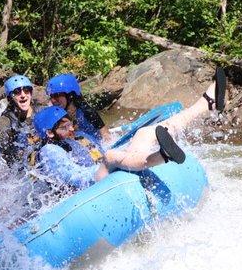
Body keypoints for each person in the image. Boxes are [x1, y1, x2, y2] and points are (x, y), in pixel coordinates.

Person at [34, 69, 227, 190]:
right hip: (93, 177)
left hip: (100, 165)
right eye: (65, 126)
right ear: (50, 132)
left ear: (70, 95)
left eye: (71, 124)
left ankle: (204, 105)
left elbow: (102, 140)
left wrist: (112, 152)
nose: (71, 128)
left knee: (145, 133)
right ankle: (160, 156)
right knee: (111, 156)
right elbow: (75, 176)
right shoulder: (51, 150)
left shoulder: (83, 125)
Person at [46, 73, 111, 143]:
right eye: (51, 96)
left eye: (56, 95)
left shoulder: (86, 111)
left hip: (96, 145)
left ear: (70, 95)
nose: (53, 100)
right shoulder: (56, 116)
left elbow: (106, 135)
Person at [0, 74, 41, 168]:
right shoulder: (5, 121)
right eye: (17, 92)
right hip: (20, 166)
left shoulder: (41, 112)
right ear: (10, 98)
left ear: (30, 93)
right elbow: (1, 150)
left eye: (26, 90)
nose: (23, 95)